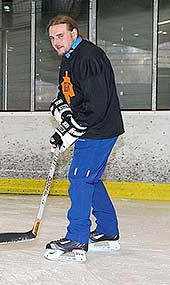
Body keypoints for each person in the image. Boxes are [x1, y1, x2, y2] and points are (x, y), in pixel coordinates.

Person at [44, 15, 124, 262]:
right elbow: (67, 93)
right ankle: (108, 232)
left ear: (74, 33)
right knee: (91, 178)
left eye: (60, 36)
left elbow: (97, 104)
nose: (56, 42)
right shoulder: (69, 58)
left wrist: (69, 130)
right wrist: (63, 111)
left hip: (98, 129)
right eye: (52, 38)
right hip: (93, 128)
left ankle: (77, 237)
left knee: (79, 179)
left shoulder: (89, 57)